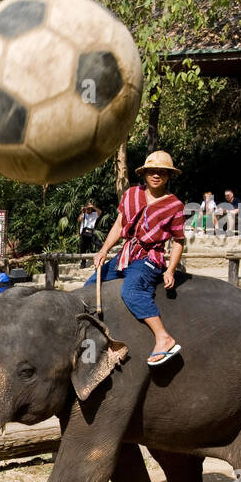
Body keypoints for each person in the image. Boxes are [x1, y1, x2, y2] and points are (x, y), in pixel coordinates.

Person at [88, 150, 186, 366]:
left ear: (169, 176)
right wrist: (104, 250)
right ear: (145, 173)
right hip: (126, 254)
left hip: (149, 258)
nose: (156, 175)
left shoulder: (174, 206)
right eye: (152, 171)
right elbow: (120, 224)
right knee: (90, 283)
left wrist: (170, 269)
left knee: (132, 291)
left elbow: (179, 240)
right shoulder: (131, 194)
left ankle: (164, 338)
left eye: (162, 172)